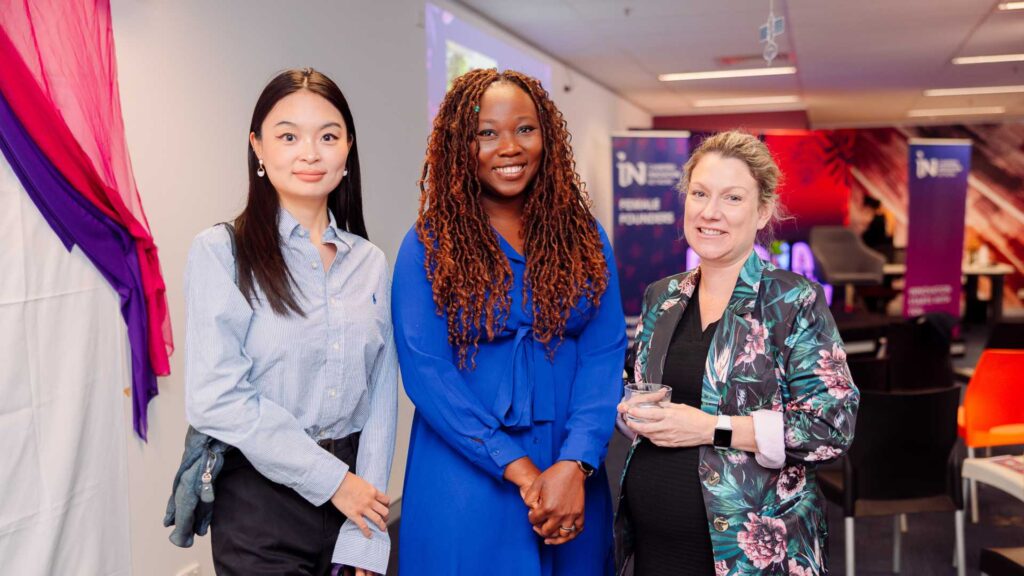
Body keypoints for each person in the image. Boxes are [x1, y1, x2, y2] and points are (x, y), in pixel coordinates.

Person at [392, 68, 628, 575]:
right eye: (487, 132)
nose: (510, 147)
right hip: (466, 474)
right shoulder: (428, 245)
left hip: (571, 473)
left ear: (547, 137)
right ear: (461, 143)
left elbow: (604, 352)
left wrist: (575, 463)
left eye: (525, 128)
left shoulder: (584, 237)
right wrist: (521, 471)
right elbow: (427, 373)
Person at [616, 131, 859, 575]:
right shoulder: (661, 297)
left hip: (749, 556)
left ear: (762, 210)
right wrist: (632, 411)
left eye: (732, 198)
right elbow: (636, 387)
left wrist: (712, 428)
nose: (710, 212)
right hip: (654, 547)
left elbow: (831, 428)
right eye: (700, 194)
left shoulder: (792, 299)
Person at [184, 68, 397, 576]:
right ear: (257, 147)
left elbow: (382, 392)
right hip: (258, 500)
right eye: (288, 136)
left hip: (352, 497)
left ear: (348, 149)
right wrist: (334, 482)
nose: (310, 152)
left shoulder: (370, 261)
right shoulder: (222, 252)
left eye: (328, 136)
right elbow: (216, 397)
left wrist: (365, 531)